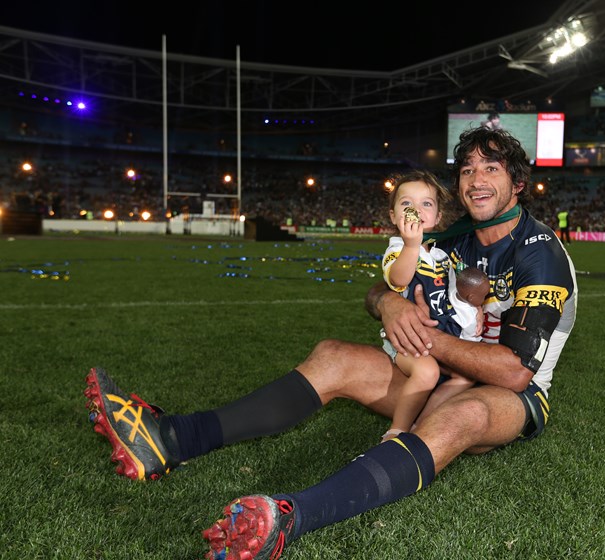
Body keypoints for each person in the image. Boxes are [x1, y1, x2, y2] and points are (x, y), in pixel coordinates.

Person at [83, 125, 578, 560]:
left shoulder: (540, 252)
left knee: (462, 415)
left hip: (513, 394)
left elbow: (515, 370)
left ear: (518, 184)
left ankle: (289, 519)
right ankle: (169, 440)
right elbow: (384, 287)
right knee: (333, 356)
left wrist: (427, 338)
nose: (476, 179)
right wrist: (387, 304)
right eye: (468, 169)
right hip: (438, 370)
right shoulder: (453, 240)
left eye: (492, 168)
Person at [380, 173, 490, 441]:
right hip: (408, 339)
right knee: (427, 372)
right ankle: (397, 429)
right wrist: (411, 245)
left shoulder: (442, 256)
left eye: (426, 204)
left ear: (438, 217)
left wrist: (475, 307)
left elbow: (458, 290)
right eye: (406, 204)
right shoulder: (397, 248)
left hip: (440, 336)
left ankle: (421, 426)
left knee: (465, 377)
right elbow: (398, 279)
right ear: (393, 216)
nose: (416, 210)